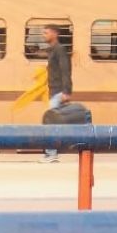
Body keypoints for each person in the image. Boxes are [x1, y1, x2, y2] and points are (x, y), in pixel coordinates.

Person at [42, 24, 72, 163]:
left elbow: (65, 70)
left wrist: (66, 91)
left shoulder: (59, 50)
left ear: (55, 34)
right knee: (53, 122)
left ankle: (51, 153)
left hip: (58, 92)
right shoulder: (52, 50)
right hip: (54, 90)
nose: (44, 35)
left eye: (46, 33)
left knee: (51, 122)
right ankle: (51, 152)